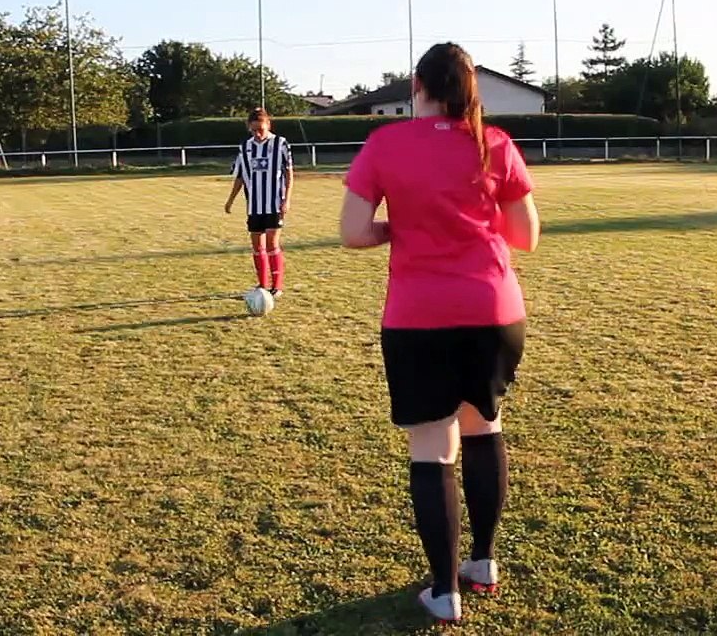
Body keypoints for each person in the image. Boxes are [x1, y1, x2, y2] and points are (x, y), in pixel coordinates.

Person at [339, 43, 541, 623]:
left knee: (433, 446)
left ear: (415, 84)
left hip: (420, 314)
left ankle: (445, 590)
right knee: (485, 426)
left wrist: (402, 225)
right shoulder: (495, 143)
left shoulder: (385, 144)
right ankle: (483, 562)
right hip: (494, 310)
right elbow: (525, 235)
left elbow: (354, 232)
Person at [225, 107, 293, 296]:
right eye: (254, 130)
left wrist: (286, 200)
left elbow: (289, 174)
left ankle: (277, 286)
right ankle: (262, 285)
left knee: (272, 244)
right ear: (249, 127)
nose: (257, 133)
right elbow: (240, 176)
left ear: (268, 125)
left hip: (274, 204)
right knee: (257, 247)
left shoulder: (280, 143)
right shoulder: (245, 147)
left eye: (261, 129)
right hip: (254, 206)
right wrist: (230, 200)